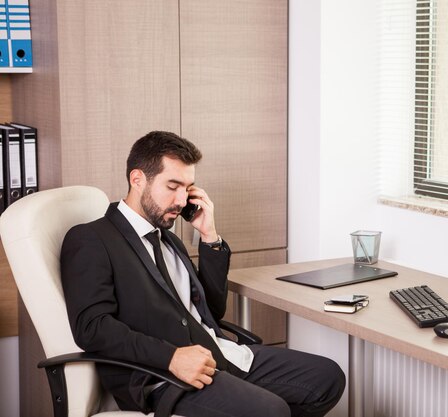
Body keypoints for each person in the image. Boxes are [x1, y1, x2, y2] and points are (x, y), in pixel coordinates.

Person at [61, 131, 345, 417]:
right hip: (163, 376)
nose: (182, 200)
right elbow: (92, 328)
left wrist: (209, 237)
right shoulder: (92, 238)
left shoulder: (168, 238)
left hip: (217, 353)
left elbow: (211, 310)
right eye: (172, 186)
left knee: (327, 378)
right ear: (137, 179)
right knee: (272, 411)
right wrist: (171, 358)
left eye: (187, 188)